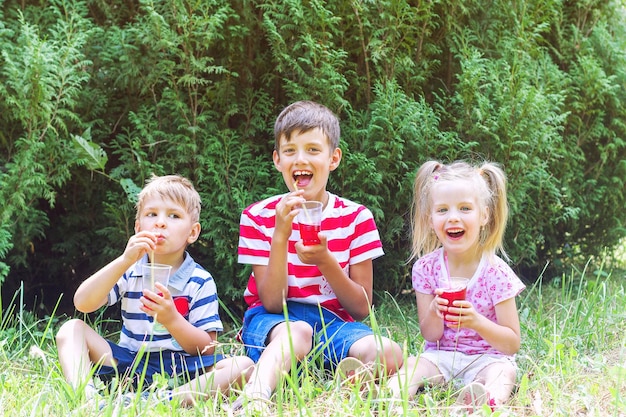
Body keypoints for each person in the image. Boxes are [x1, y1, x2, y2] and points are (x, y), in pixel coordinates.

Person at [234, 101, 403, 410]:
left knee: (389, 353)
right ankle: (256, 395)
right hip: (274, 322)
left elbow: (362, 306)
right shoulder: (258, 217)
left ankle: (337, 383)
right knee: (296, 332)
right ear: (277, 160)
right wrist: (281, 234)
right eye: (290, 151)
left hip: (334, 323)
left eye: (313, 149)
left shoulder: (356, 218)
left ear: (333, 158)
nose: (301, 159)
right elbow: (272, 301)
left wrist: (326, 261)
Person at [55, 175, 253, 407]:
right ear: (138, 227)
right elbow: (83, 303)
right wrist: (123, 260)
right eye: (152, 214)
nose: (160, 223)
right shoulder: (130, 271)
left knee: (243, 366)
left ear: (193, 232)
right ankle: (88, 401)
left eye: (174, 216)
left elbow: (207, 347)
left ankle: (158, 401)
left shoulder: (199, 280)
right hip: (129, 365)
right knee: (70, 329)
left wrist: (172, 320)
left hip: (183, 371)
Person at [387, 160, 525, 412]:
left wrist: (476, 321)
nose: (453, 218)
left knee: (503, 373)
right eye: (442, 210)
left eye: (464, 208)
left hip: (488, 358)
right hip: (441, 357)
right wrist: (434, 312)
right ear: (430, 220)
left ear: (484, 215)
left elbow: (511, 343)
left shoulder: (496, 272)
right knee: (413, 365)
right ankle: (391, 395)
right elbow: (430, 336)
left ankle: (483, 399)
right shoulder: (426, 269)